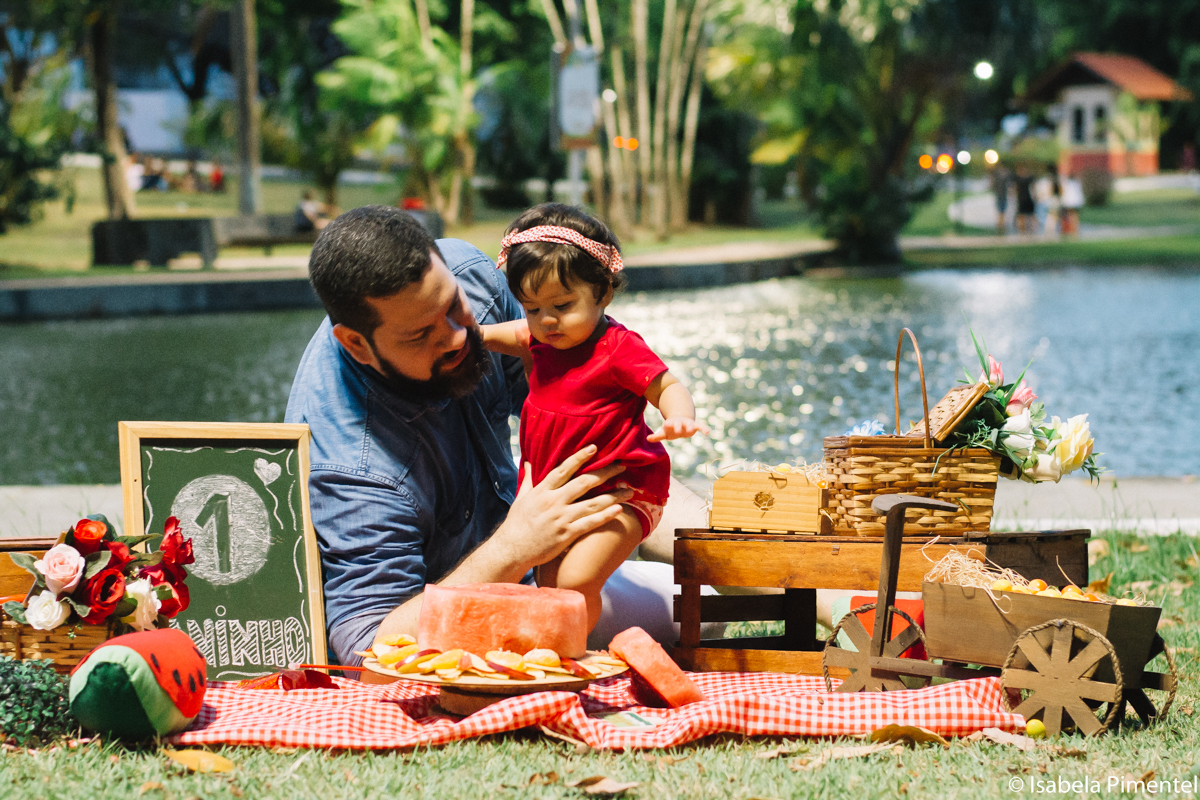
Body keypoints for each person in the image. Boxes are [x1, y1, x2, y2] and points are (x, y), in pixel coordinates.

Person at [284, 205, 706, 676]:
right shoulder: (353, 466)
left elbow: (591, 421)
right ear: (357, 344)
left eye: (453, 305)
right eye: (421, 334)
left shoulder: (470, 274)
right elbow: (368, 651)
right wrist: (514, 546)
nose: (456, 337)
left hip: (544, 564)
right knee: (679, 614)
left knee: (705, 608)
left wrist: (740, 544)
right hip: (450, 621)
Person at [480, 204, 708, 631]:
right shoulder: (544, 338)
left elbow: (667, 386)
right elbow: (511, 335)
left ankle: (574, 650)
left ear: (602, 292)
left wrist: (679, 417)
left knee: (577, 579)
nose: (547, 321)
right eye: (531, 308)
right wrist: (471, 336)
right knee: (549, 581)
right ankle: (560, 651)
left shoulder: (617, 348)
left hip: (623, 491)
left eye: (562, 305)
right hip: (559, 494)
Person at [1013, 165, 1036, 234]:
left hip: (1025, 198)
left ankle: (1026, 230)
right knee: (1025, 215)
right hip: (1024, 199)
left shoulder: (1020, 180)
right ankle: (1025, 230)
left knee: (1026, 215)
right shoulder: (1027, 179)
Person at [1059, 171, 1084, 235]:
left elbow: (1062, 192)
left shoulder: (1066, 183)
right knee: (1075, 216)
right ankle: (1075, 229)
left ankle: (1072, 229)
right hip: (1076, 201)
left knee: (1069, 215)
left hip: (1069, 202)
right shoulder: (1077, 183)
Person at [989, 162, 1011, 234]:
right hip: (1000, 196)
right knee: (1001, 212)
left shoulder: (1000, 176)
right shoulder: (998, 176)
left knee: (1001, 212)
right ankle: (1000, 225)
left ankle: (1001, 225)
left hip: (1002, 196)